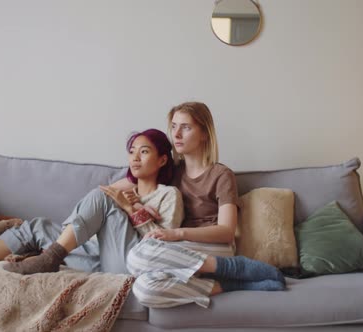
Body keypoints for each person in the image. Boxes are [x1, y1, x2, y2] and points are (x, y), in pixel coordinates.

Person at [0, 129, 183, 275]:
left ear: (162, 160)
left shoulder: (168, 195)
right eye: (132, 151)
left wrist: (131, 209)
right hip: (98, 257)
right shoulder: (124, 188)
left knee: (102, 197)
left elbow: (160, 244)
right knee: (38, 226)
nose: (135, 158)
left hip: (130, 264)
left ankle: (50, 257)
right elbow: (92, 214)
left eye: (144, 151)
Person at [121, 102, 286, 308]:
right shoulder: (172, 171)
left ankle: (234, 267)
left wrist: (178, 234)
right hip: (180, 251)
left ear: (205, 134)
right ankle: (229, 284)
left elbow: (226, 231)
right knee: (144, 289)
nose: (177, 134)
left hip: (216, 248)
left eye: (186, 127)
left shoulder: (221, 175)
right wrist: (138, 206)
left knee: (137, 257)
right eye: (173, 126)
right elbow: (123, 184)